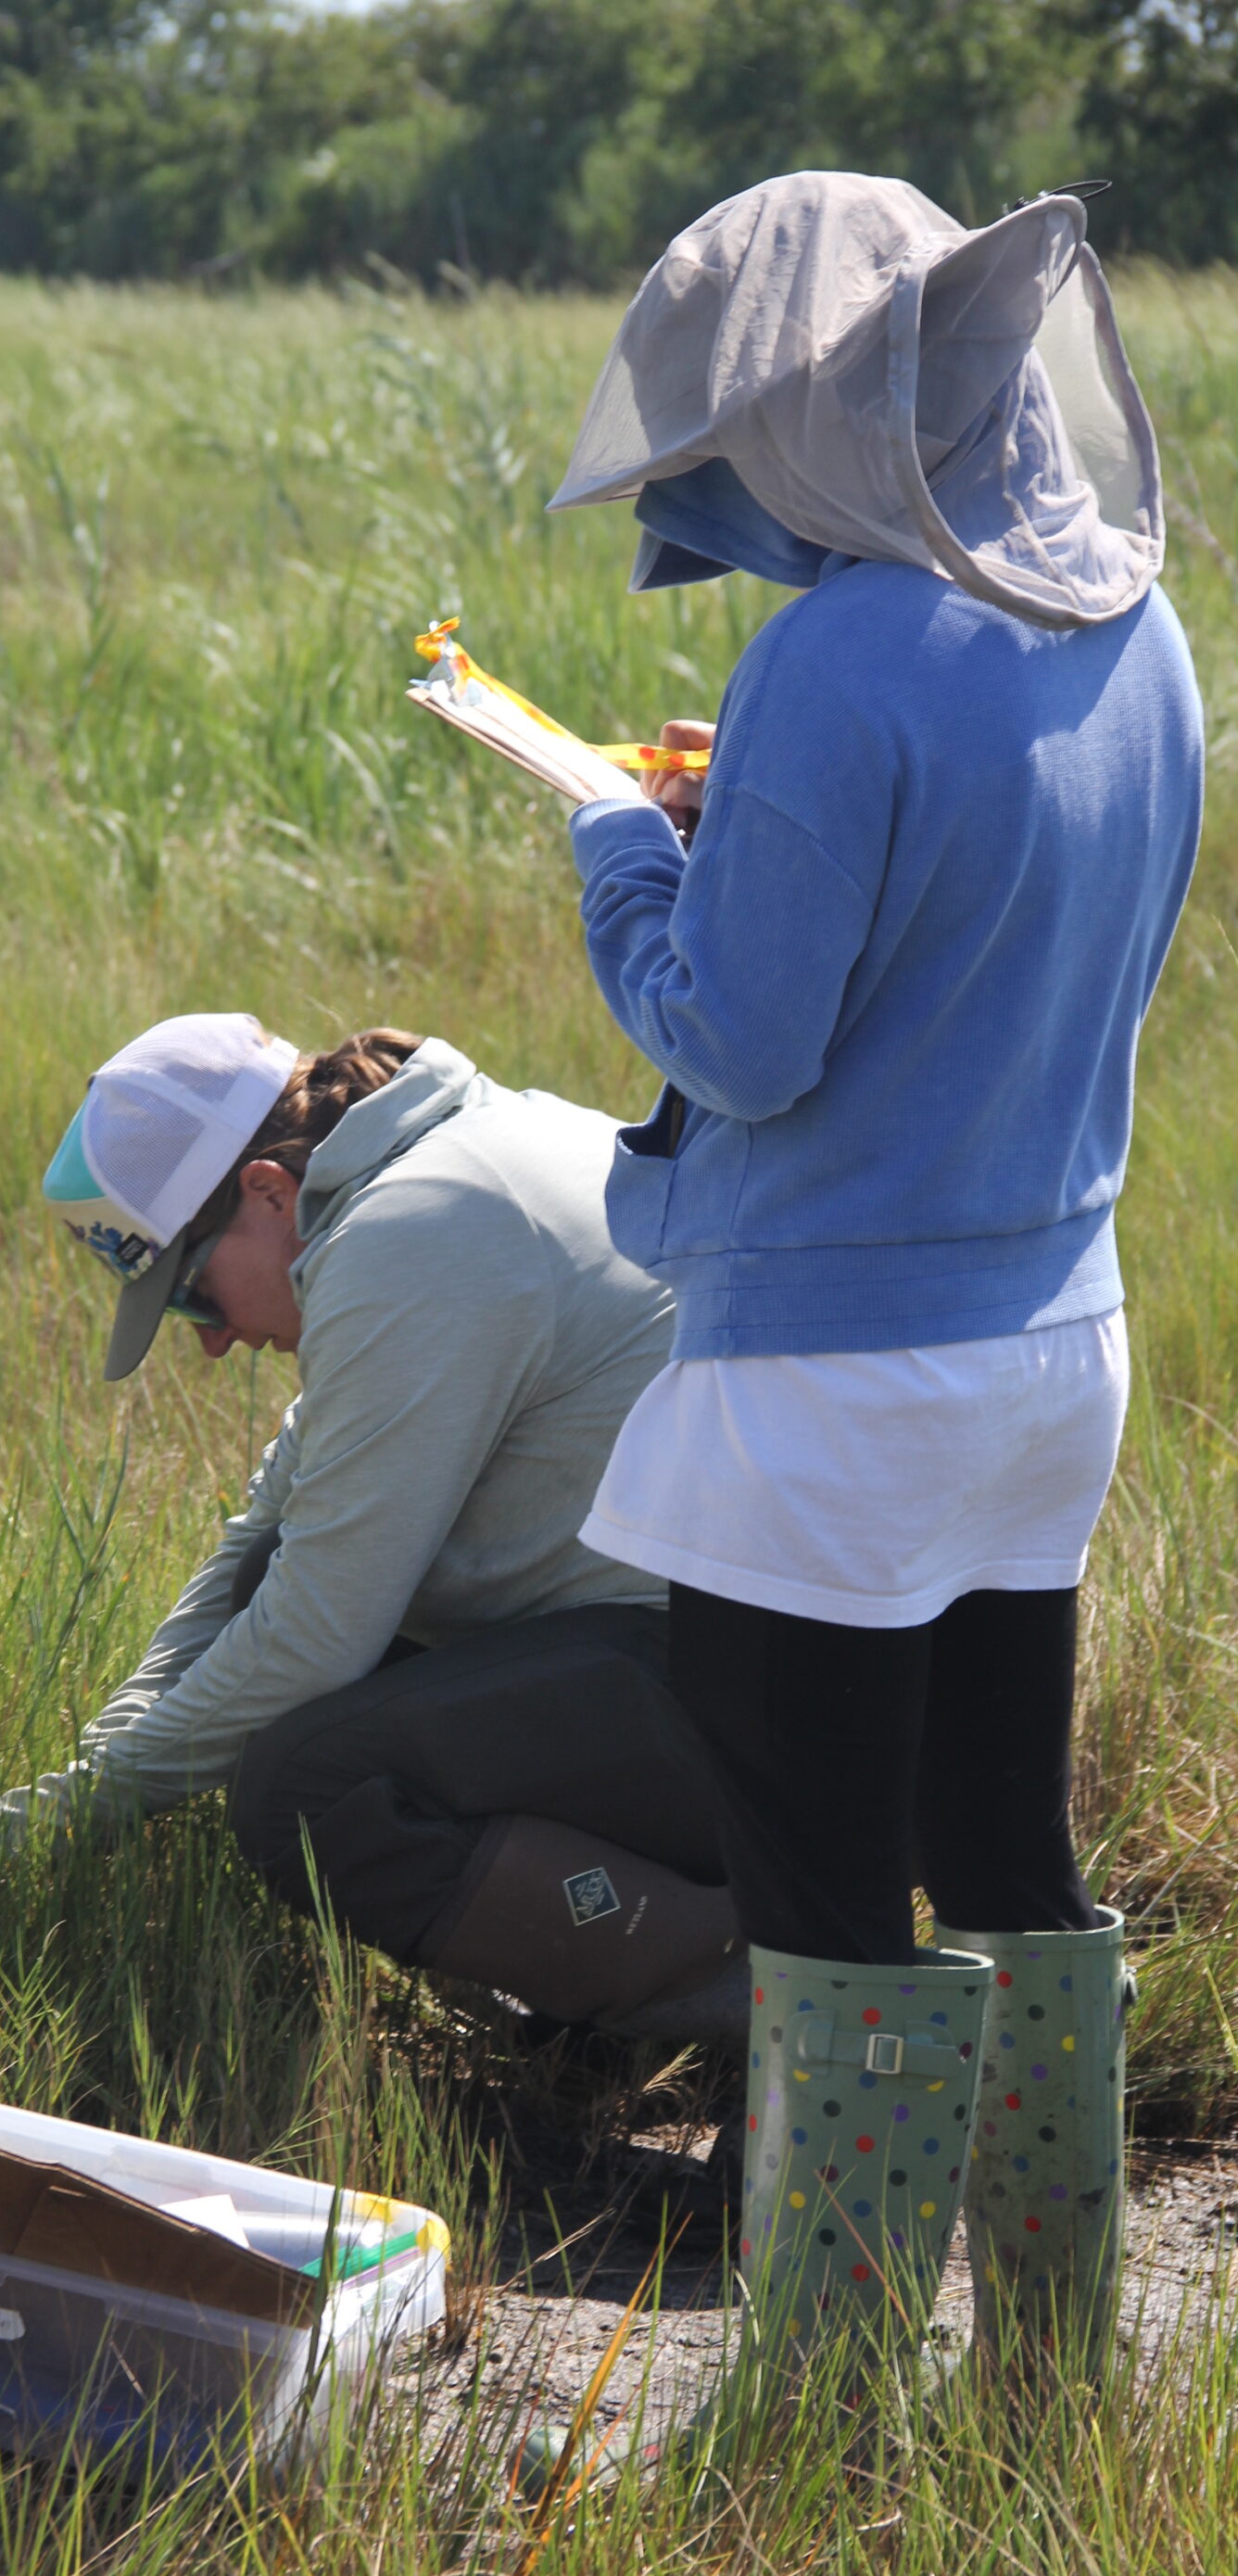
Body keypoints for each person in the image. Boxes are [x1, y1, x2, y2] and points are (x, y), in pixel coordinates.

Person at [544, 171, 1203, 2398]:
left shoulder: (825, 652)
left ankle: (817, 2408)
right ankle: (1045, 2364)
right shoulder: (1131, 613)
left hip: (828, 1386)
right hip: (1052, 1351)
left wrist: (632, 861)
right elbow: (1001, 924)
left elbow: (735, 1039)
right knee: (1002, 1847)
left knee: (819, 1890)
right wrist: (777, 838)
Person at [4, 1009, 755, 2046]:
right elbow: (258, 1545)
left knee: (305, 1787)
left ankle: (727, 1985)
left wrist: (63, 1821)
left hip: (763, 1696)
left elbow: (315, 1636)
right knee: (279, 1625)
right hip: (721, 1662)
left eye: (188, 1295)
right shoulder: (424, 1174)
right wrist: (101, 1759)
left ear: (265, 1192)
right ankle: (623, 1972)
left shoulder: (416, 1235)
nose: (215, 1341)